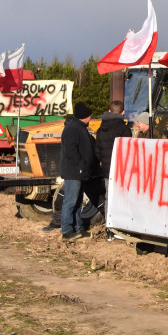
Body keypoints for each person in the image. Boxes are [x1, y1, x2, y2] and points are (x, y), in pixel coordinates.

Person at [59, 102, 96, 241]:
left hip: (80, 171)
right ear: (84, 116)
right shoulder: (72, 129)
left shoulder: (79, 128)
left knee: (78, 201)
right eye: (90, 116)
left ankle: (78, 228)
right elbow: (71, 151)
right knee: (71, 200)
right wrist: (81, 165)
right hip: (74, 171)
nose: (91, 118)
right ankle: (67, 230)